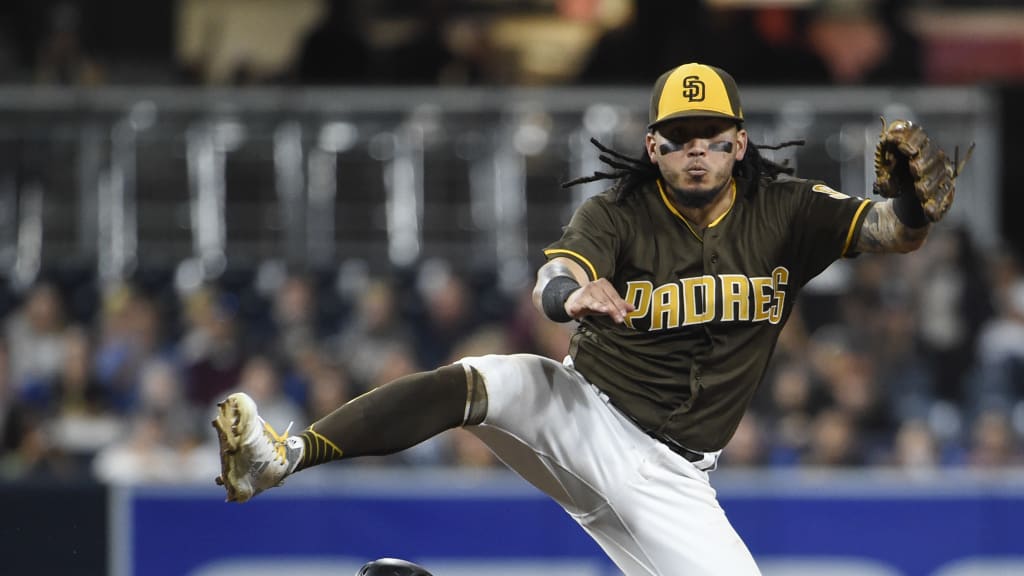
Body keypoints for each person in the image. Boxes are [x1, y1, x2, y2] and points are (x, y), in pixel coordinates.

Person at [212, 62, 955, 575]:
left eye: (712, 136)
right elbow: (556, 275)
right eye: (680, 137)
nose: (696, 152)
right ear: (651, 146)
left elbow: (896, 230)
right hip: (586, 409)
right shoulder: (619, 210)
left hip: (673, 476)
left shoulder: (789, 211)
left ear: (741, 141)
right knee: (485, 381)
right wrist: (569, 296)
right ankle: (284, 456)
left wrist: (916, 206)